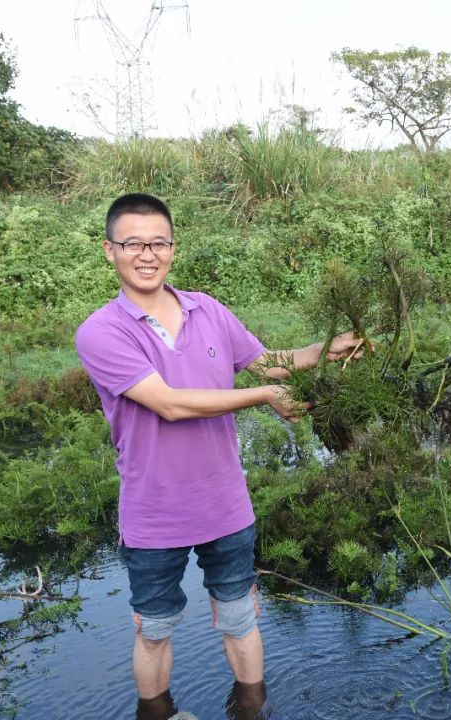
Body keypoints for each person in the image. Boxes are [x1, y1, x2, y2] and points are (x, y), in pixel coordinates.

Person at [75, 193, 359, 719]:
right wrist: (265, 398)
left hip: (226, 504)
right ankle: (157, 713)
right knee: (155, 629)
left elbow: (265, 363)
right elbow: (170, 403)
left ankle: (251, 709)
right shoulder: (101, 331)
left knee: (240, 617)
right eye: (133, 242)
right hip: (154, 513)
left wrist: (324, 349)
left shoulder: (208, 309)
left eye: (157, 242)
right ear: (109, 250)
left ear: (172, 249)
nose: (146, 253)